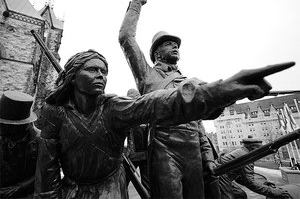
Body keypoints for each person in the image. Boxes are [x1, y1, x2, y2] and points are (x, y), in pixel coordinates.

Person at [33, 48, 294, 199]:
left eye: (104, 71)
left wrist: (222, 90)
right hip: (73, 187)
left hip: (109, 185)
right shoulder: (55, 112)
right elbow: (47, 168)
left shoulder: (113, 107)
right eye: (92, 70)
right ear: (72, 76)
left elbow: (161, 103)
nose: (101, 75)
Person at [119, 0, 224, 198]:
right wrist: (135, 6)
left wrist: (207, 155)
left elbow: (200, 123)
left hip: (193, 146)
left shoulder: (190, 81)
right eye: (168, 43)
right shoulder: (147, 75)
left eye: (176, 44)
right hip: (164, 145)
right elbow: (125, 38)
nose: (175, 46)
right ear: (157, 53)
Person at [217, 135, 292, 199]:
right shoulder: (246, 156)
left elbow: (241, 178)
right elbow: (250, 183)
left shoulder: (242, 151)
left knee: (240, 194)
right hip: (219, 178)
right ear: (253, 148)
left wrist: (262, 183)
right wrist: (274, 192)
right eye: (259, 149)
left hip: (224, 177)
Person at [0, 91, 41, 198]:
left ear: (21, 125)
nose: (1, 127)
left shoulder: (40, 141)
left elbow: (45, 173)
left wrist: (18, 189)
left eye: (4, 124)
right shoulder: (3, 135)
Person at [125, 88, 149, 190]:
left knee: (147, 186)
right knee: (123, 182)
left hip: (146, 156)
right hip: (132, 156)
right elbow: (121, 136)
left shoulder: (147, 115)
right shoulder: (126, 116)